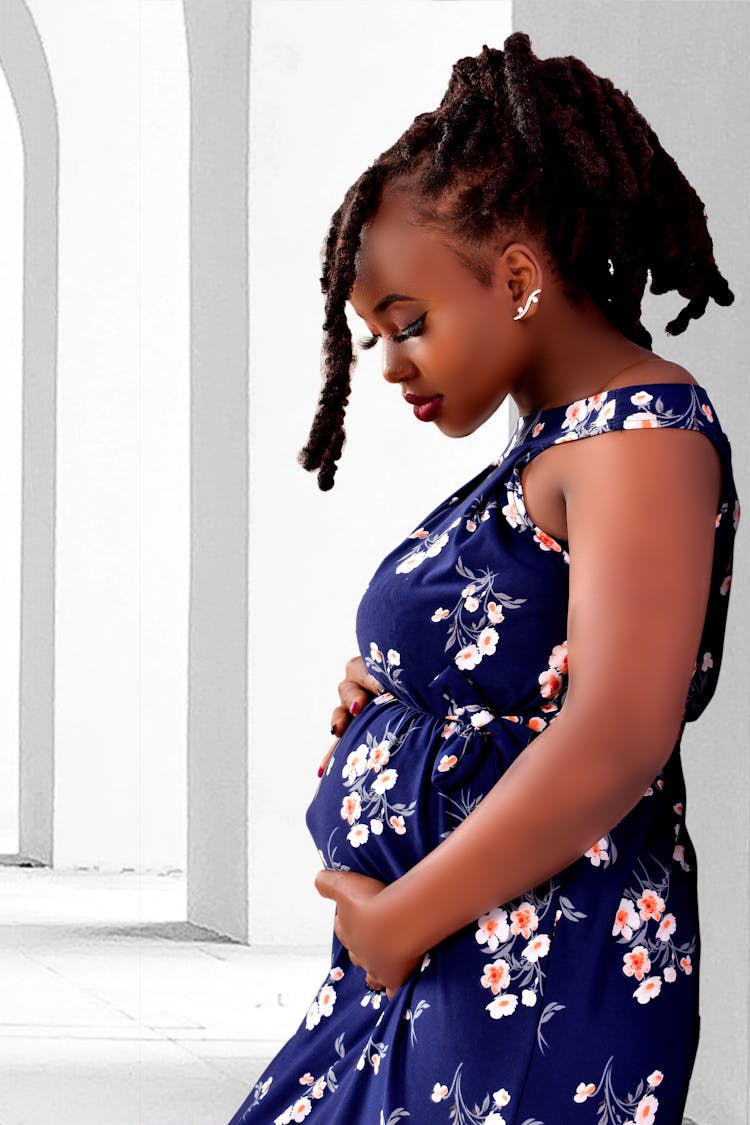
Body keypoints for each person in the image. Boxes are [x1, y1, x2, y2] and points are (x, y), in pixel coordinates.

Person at [227, 30, 740, 1125]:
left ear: (515, 277)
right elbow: (530, 652)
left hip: (542, 962)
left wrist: (403, 919)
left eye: (408, 326)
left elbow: (614, 739)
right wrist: (405, 693)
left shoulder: (639, 435)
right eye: (374, 338)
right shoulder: (556, 439)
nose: (392, 366)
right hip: (449, 955)